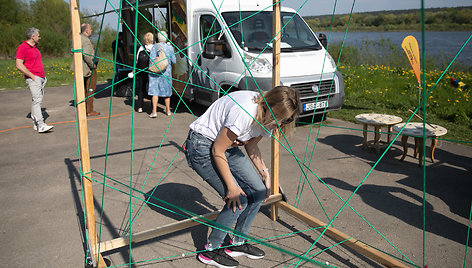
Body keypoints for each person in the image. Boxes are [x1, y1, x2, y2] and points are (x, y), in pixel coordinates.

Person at [184, 86, 300, 268]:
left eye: (284, 121)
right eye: (279, 119)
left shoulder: (271, 117)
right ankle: (211, 251)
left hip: (226, 147)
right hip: (202, 146)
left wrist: (265, 173)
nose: (279, 125)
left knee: (259, 191)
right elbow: (217, 150)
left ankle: (237, 242)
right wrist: (232, 187)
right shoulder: (245, 111)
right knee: (239, 200)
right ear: (270, 108)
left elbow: (251, 146)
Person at [15, 27, 53, 133]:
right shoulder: (23, 47)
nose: (39, 38)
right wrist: (31, 76)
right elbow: (19, 64)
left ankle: (36, 123)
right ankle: (40, 124)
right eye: (38, 35)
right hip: (33, 78)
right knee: (37, 100)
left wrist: (42, 77)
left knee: (37, 100)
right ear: (33, 36)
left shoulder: (35, 48)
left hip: (40, 78)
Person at [148, 31, 176, 118]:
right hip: (166, 73)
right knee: (167, 92)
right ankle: (168, 110)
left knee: (155, 92)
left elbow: (151, 60)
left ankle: (154, 111)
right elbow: (174, 61)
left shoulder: (154, 47)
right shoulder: (170, 48)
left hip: (155, 73)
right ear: (166, 38)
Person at [81, 23, 100, 117]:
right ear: (87, 30)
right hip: (87, 69)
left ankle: (85, 108)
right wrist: (93, 65)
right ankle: (89, 110)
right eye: (91, 29)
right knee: (90, 89)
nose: (92, 31)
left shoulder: (78, 38)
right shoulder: (85, 40)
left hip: (81, 69)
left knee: (84, 89)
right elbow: (86, 55)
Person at [135, 32, 154, 113]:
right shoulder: (154, 48)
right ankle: (153, 107)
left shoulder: (141, 48)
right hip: (151, 71)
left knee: (141, 88)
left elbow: (136, 60)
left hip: (141, 70)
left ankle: (139, 107)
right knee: (152, 89)